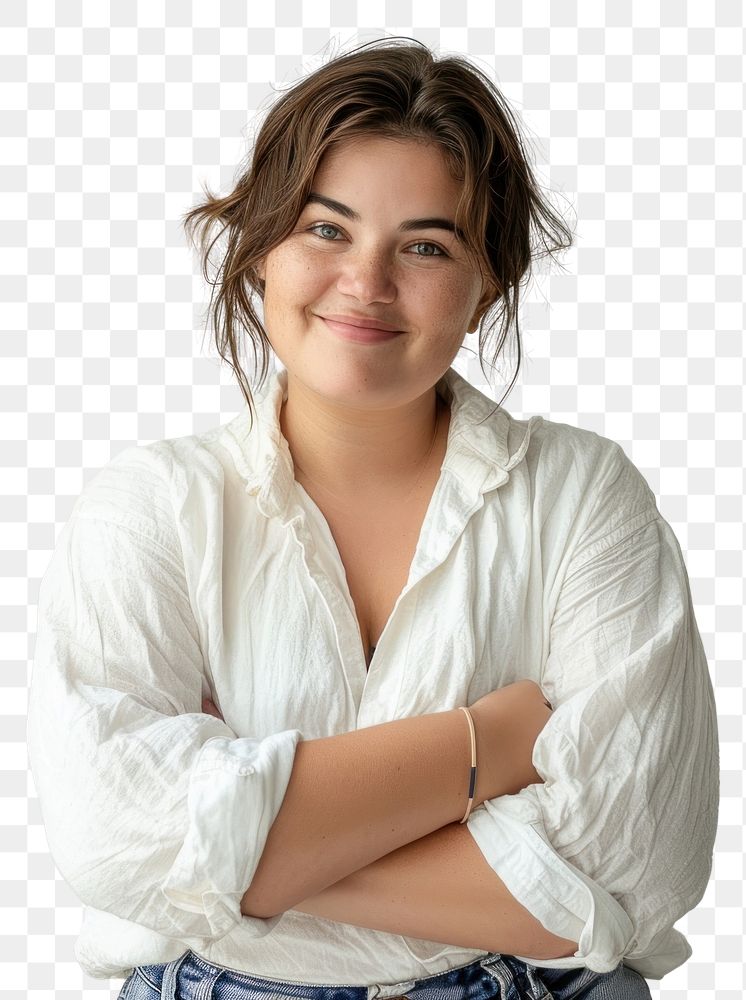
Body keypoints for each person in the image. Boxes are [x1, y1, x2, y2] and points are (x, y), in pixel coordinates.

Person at [27, 37, 719, 1000]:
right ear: (261, 247)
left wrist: (244, 852)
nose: (367, 281)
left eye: (425, 245)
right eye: (325, 229)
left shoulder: (584, 496)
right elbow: (107, 831)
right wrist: (487, 746)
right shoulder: (150, 508)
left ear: (488, 286)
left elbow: (640, 862)